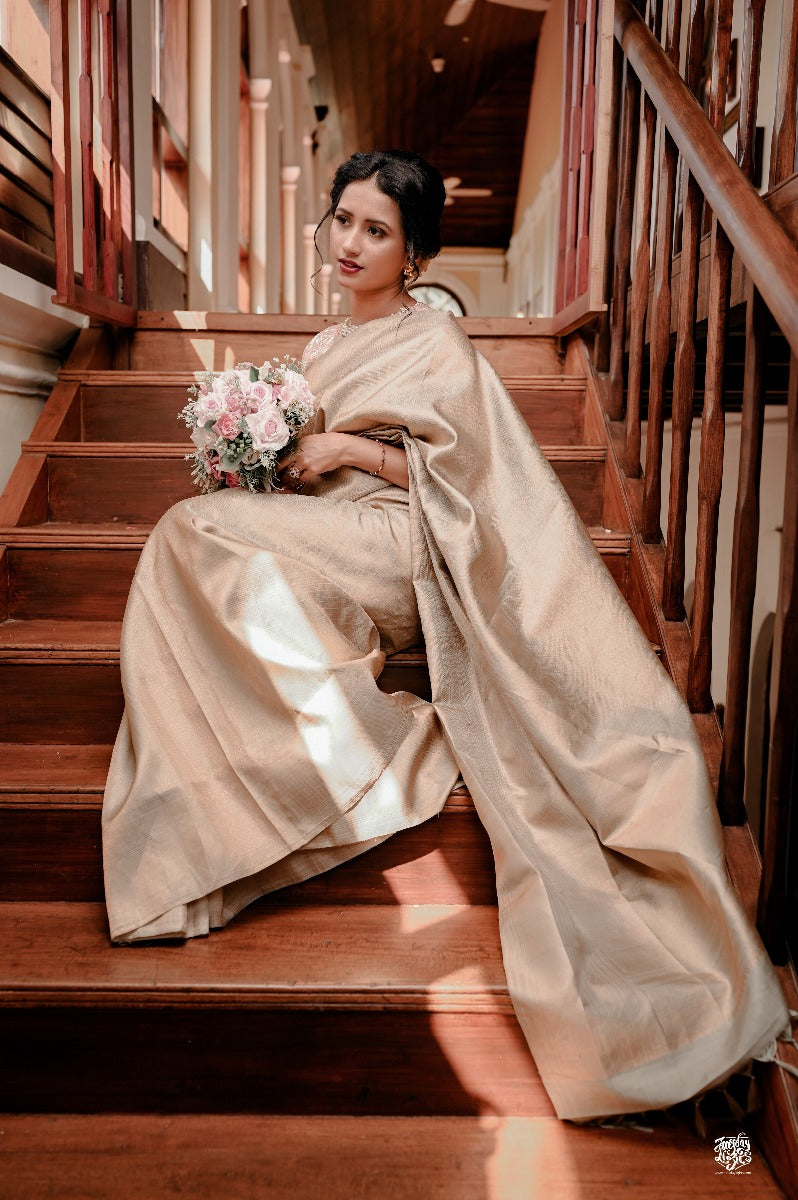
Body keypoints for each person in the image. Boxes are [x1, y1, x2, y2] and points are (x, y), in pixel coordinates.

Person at [102, 150, 788, 1122]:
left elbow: (481, 485)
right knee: (202, 542)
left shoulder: (438, 345)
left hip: (402, 541)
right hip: (330, 534)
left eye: (375, 230)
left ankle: (370, 754)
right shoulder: (323, 348)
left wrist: (348, 449)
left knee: (184, 532)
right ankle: (249, 782)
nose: (349, 241)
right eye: (341, 220)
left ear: (413, 252)